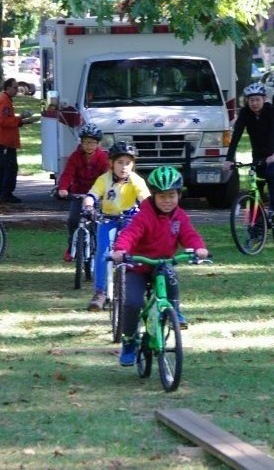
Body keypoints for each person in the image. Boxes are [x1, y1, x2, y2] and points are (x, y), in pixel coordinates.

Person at [110, 166, 208, 366]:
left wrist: (198, 248)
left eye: (171, 195)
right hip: (137, 265)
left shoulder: (179, 216)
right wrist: (121, 250)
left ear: (179, 195)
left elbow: (189, 235)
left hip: (161, 264)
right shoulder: (144, 215)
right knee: (132, 303)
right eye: (162, 196)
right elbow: (130, 233)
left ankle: (175, 311)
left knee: (170, 274)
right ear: (153, 196)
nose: (167, 201)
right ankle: (129, 341)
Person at [83, 141, 150, 311]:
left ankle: (132, 288)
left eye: (128, 163)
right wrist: (89, 206)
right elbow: (92, 195)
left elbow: (145, 200)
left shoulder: (136, 180)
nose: (124, 167)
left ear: (133, 165)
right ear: (111, 163)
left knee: (131, 253)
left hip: (130, 219)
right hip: (107, 219)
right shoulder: (104, 179)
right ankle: (100, 292)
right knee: (103, 253)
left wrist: (149, 212)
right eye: (120, 162)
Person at [223, 82, 274, 214]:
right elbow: (236, 137)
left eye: (257, 99)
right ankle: (256, 223)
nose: (254, 103)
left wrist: (273, 153)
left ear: (264, 99)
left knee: (271, 174)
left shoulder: (273, 111)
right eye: (251, 100)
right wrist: (229, 159)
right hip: (258, 155)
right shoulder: (245, 113)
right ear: (247, 101)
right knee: (255, 185)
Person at [56, 123, 110, 262]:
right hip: (78, 194)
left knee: (97, 223)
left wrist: (106, 192)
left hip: (96, 195)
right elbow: (68, 174)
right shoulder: (75, 156)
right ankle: (71, 247)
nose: (89, 146)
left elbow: (106, 176)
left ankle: (98, 249)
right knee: (73, 220)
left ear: (98, 144)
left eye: (92, 142)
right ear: (81, 142)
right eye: (86, 142)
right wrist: (63, 188)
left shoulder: (103, 158)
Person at [0, 78, 38, 203]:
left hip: (2, 139)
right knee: (9, 167)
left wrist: (21, 120)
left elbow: (7, 119)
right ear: (8, 88)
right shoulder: (4, 102)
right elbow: (4, 121)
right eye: (15, 88)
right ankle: (6, 193)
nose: (17, 90)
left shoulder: (4, 100)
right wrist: (21, 119)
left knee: (3, 167)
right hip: (4, 140)